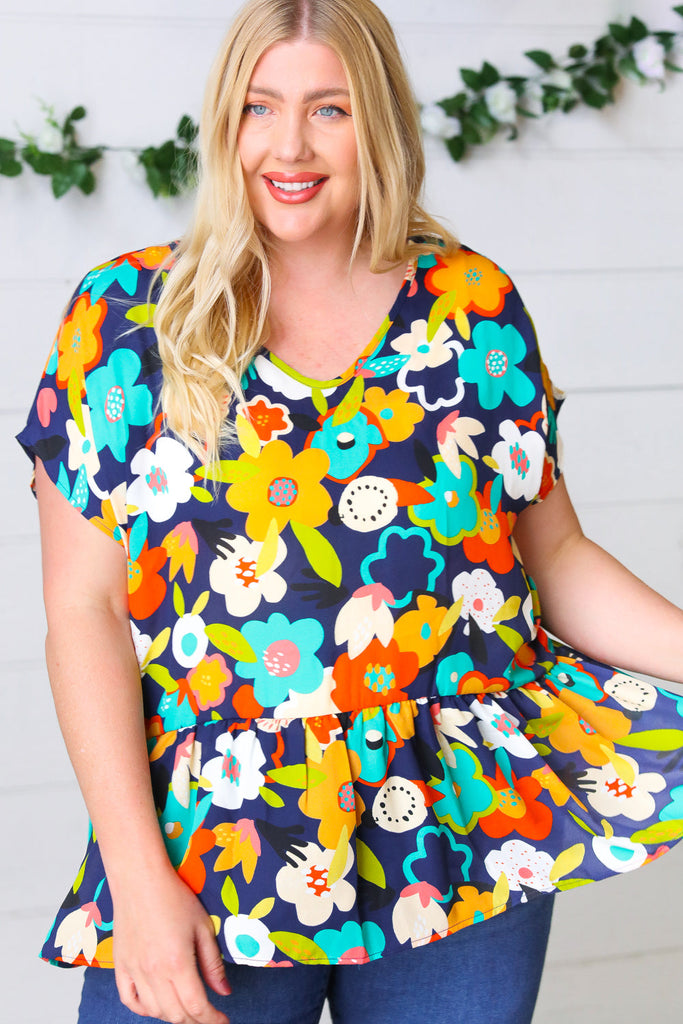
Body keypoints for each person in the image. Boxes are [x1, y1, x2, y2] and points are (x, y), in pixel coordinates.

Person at [17, 1, 683, 1022]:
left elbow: (554, 559)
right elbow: (84, 614)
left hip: (459, 827)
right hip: (217, 836)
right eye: (260, 107)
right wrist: (136, 877)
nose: (289, 146)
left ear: (378, 122)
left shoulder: (472, 308)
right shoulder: (126, 319)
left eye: (328, 109)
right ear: (225, 122)